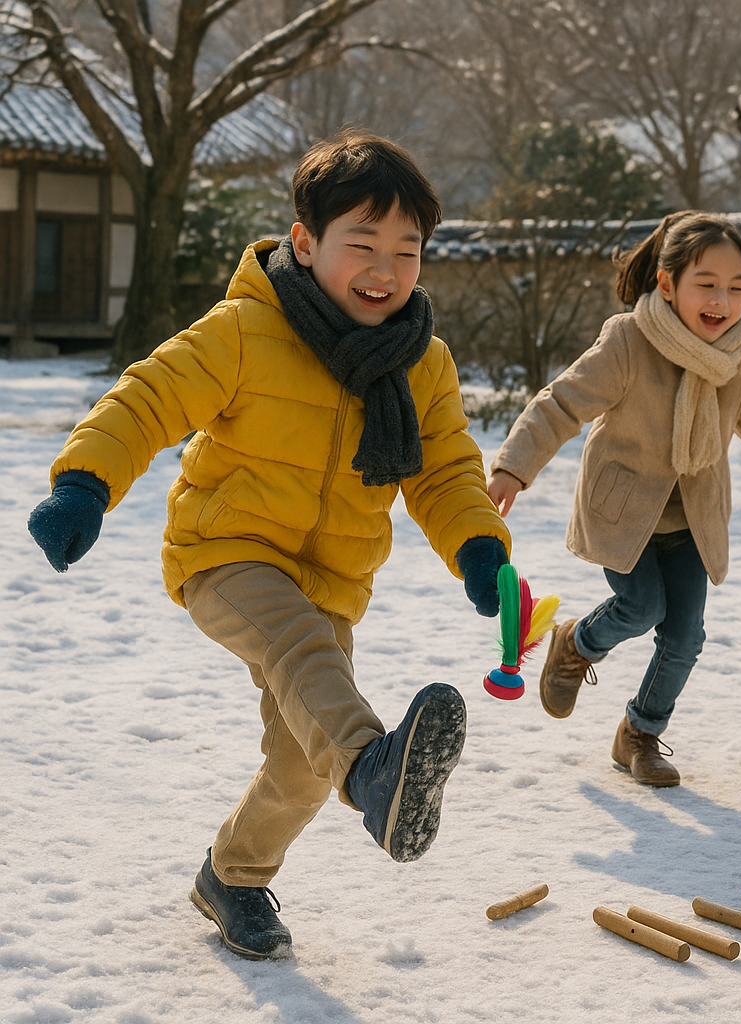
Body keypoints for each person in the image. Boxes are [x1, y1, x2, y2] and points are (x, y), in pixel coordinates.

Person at [25, 131, 512, 961]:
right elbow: (148, 399)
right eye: (362, 244)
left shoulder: (422, 364)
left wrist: (477, 546)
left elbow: (445, 472)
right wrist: (84, 484)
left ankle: (235, 875)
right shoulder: (246, 330)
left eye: (408, 250)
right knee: (303, 654)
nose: (385, 269)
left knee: (299, 762)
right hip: (226, 551)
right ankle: (374, 769)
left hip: (331, 577)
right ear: (305, 242)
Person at [488, 211, 741, 786]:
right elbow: (561, 403)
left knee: (685, 637)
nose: (721, 300)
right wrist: (513, 466)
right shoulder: (629, 341)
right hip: (625, 513)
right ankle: (575, 643)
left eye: (736, 288)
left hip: (692, 518)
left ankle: (639, 735)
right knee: (641, 607)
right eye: (706, 284)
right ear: (668, 284)